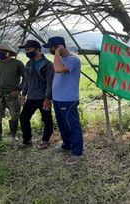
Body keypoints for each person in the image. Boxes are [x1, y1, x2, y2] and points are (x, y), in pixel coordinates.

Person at [43, 36, 83, 165]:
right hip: (58, 98)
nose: (51, 51)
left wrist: (58, 53)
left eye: (52, 48)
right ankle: (67, 145)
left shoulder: (73, 60)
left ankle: (77, 153)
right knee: (62, 124)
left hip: (68, 99)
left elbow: (59, 70)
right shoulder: (59, 60)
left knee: (72, 125)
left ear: (60, 47)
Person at [18, 40, 55, 149]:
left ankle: (45, 140)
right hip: (31, 97)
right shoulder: (29, 63)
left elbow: (50, 83)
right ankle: (27, 140)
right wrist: (23, 94)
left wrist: (47, 98)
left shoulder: (48, 65)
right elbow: (26, 81)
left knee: (46, 119)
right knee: (24, 117)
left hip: (43, 97)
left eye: (29, 49)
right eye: (26, 50)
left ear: (38, 49)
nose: (27, 52)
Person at [0, 43, 25, 142]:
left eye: (1, 52)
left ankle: (14, 135)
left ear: (8, 53)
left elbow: (26, 78)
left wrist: (18, 90)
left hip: (12, 94)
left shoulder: (18, 63)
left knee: (15, 114)